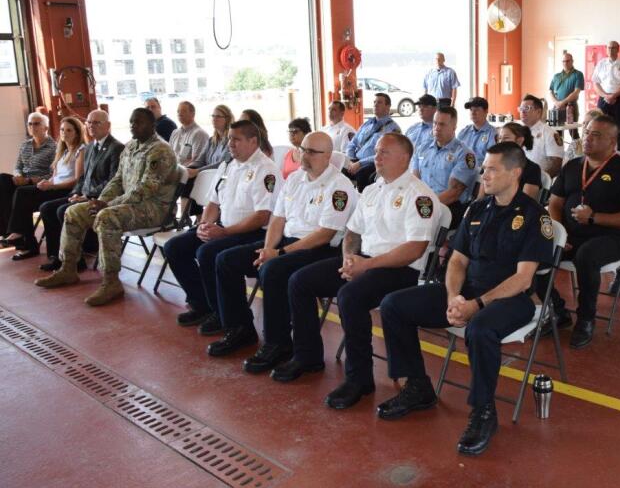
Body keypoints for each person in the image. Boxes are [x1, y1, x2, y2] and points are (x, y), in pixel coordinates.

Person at [377, 142, 555, 456]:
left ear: (515, 173)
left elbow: (523, 278)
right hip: (469, 292)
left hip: (513, 298)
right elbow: (457, 261)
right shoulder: (477, 208)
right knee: (394, 305)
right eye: (484, 167)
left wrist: (476, 306)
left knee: (480, 329)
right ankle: (417, 386)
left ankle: (484, 411)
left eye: (491, 169)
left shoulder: (533, 216)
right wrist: (453, 297)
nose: (483, 174)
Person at [283, 133, 438, 411]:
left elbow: (415, 249)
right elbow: (352, 231)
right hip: (364, 260)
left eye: (384, 153)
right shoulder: (371, 190)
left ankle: (360, 378)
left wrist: (365, 266)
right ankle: (307, 356)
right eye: (376, 151)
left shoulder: (420, 196)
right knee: (300, 281)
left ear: (405, 157)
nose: (376, 157)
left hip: (398, 268)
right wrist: (349, 259)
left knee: (350, 296)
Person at [208, 132, 358, 370]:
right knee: (227, 260)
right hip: (285, 244)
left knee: (274, 270)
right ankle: (239, 329)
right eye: (303, 149)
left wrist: (279, 254)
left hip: (317, 248)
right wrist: (268, 248)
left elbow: (324, 234)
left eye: (312, 152)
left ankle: (279, 344)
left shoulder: (339, 187)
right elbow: (278, 218)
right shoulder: (295, 179)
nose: (305, 155)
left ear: (328, 156)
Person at [34, 108, 179, 307]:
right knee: (73, 212)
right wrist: (100, 200)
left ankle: (111, 282)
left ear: (152, 125)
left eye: (138, 123)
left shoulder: (160, 150)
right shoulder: (131, 147)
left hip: (154, 209)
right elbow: (118, 180)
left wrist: (107, 205)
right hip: (128, 204)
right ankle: (68, 269)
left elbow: (144, 190)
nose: (133, 126)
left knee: (106, 217)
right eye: (131, 122)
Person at [168, 120, 281, 335]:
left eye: (236, 139)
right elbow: (213, 202)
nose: (230, 143)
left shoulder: (266, 170)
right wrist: (204, 225)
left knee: (208, 253)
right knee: (175, 247)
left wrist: (224, 232)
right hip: (224, 227)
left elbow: (262, 215)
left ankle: (230, 318)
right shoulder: (227, 165)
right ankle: (204, 305)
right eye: (229, 138)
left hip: (254, 233)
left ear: (253, 141)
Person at [548, 115, 620, 349]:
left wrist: (594, 217)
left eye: (596, 135)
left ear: (613, 141)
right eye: (587, 131)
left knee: (587, 256)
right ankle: (558, 311)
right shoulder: (573, 166)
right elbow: (554, 203)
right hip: (571, 236)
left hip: (611, 238)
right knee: (536, 250)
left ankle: (586, 319)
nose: (588, 138)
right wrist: (559, 234)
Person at [38, 110, 123, 271]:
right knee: (46, 208)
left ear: (108, 126)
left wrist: (87, 196)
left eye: (96, 123)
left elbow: (113, 181)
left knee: (63, 210)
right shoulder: (90, 147)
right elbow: (83, 177)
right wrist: (76, 193)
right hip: (84, 194)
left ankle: (76, 260)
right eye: (89, 122)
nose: (91, 126)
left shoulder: (116, 148)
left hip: (100, 198)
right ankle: (57, 256)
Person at [7, 117, 85, 260]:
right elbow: (54, 176)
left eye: (69, 130)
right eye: (62, 130)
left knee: (22, 194)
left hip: (64, 190)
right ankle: (24, 239)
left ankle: (19, 234)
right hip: (53, 187)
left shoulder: (80, 150)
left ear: (77, 132)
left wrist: (51, 185)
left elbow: (77, 181)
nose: (64, 133)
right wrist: (46, 183)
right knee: (13, 189)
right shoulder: (62, 151)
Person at [411, 105, 477, 228]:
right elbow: (415, 180)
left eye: (442, 124)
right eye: (435, 123)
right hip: (422, 202)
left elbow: (453, 193)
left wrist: (423, 207)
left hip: (449, 206)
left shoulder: (464, 154)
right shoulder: (422, 148)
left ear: (454, 127)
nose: (437, 128)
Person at [0, 112, 57, 247]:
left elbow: (53, 174)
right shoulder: (25, 145)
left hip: (39, 185)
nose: (32, 126)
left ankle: (19, 235)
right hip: (23, 182)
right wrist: (18, 175)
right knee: (2, 179)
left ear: (46, 128)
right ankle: (7, 232)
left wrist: (30, 181)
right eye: (30, 124)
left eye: (36, 123)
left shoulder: (53, 147)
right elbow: (18, 166)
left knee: (20, 193)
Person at [345, 92, 401, 191]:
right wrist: (350, 159)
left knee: (363, 173)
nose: (375, 104)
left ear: (388, 106)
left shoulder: (392, 128)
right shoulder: (367, 124)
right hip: (355, 160)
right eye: (374, 102)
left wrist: (360, 163)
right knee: (340, 170)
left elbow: (386, 154)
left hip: (374, 163)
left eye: (379, 102)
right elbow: (352, 144)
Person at [476, 122, 541, 201]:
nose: (501, 142)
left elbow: (526, 202)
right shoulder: (490, 163)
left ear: (519, 141)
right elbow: (480, 197)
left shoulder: (532, 169)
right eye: (499, 138)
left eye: (506, 138)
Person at [591, 43, 620, 152]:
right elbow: (595, 83)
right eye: (608, 48)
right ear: (606, 49)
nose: (610, 50)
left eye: (613, 48)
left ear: (618, 49)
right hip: (603, 99)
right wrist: (605, 95)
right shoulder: (601, 64)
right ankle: (601, 151)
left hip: (619, 99)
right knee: (600, 127)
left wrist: (614, 95)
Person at [518, 94, 563, 178]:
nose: (523, 111)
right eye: (521, 109)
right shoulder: (518, 131)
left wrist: (539, 182)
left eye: (527, 108)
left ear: (538, 112)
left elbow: (556, 164)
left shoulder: (549, 133)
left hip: (538, 181)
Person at [457, 96, 497, 167]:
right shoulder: (464, 132)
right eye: (471, 110)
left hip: (480, 173)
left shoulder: (492, 133)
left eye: (477, 110)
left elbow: (492, 160)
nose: (473, 112)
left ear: (486, 111)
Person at [168, 101, 210, 167]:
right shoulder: (175, 133)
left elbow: (196, 162)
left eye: (183, 111)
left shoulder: (199, 134)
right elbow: (168, 155)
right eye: (178, 111)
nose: (180, 114)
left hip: (186, 174)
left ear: (193, 114)